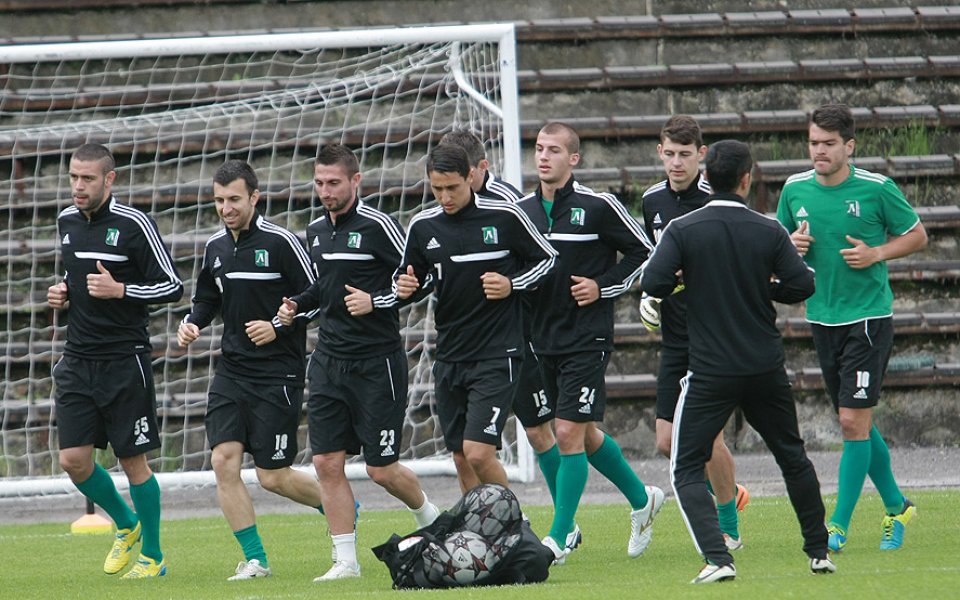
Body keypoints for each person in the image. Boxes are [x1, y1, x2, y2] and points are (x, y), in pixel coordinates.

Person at [641, 139, 834, 583]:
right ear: (747, 180)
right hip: (765, 366)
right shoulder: (768, 230)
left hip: (711, 369)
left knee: (685, 466)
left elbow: (652, 279)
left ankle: (719, 558)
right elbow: (802, 285)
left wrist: (692, 279)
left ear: (706, 176)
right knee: (792, 455)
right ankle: (818, 550)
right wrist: (760, 285)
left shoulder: (684, 229)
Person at [275, 144, 440, 582]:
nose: (326, 191)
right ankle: (345, 560)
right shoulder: (315, 231)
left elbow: (416, 282)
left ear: (355, 181)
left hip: (376, 362)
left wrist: (377, 300)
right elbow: (320, 291)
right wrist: (296, 307)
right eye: (320, 183)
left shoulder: (380, 227)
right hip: (328, 361)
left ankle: (431, 518)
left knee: (380, 468)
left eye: (334, 183)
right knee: (326, 463)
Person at [777, 103, 927, 553]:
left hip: (867, 319)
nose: (818, 151)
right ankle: (898, 506)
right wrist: (790, 244)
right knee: (857, 420)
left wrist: (877, 253)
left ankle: (835, 528)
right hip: (821, 318)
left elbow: (917, 235)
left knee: (850, 421)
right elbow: (776, 245)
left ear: (849, 146)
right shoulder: (794, 188)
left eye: (827, 144)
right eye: (813, 143)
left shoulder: (877, 189)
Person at [517, 122, 663, 565]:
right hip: (538, 338)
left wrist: (603, 287)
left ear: (573, 159)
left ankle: (560, 536)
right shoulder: (521, 211)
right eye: (539, 149)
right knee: (573, 432)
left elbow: (647, 251)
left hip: (587, 335)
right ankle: (643, 499)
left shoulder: (597, 206)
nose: (543, 157)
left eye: (554, 150)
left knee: (566, 432)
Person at [177, 160, 327, 581]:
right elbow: (206, 299)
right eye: (219, 200)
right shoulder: (215, 248)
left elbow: (316, 295)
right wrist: (192, 323)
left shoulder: (281, 242)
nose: (226, 208)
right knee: (224, 460)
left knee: (273, 476)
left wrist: (279, 324)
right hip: (233, 370)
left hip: (278, 372)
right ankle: (256, 559)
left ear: (255, 198)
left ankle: (337, 506)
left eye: (234, 200)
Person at [48, 143, 183, 579]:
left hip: (125, 361)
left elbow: (172, 287)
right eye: (73, 177)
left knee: (132, 462)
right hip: (78, 359)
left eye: (87, 178)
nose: (78, 187)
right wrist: (64, 292)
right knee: (73, 459)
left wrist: (121, 290)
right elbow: (74, 274)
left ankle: (155, 556)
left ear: (110, 179)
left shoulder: (134, 225)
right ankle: (126, 525)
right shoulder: (67, 221)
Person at [393, 144, 557, 496]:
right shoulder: (423, 226)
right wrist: (405, 286)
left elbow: (547, 261)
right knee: (461, 458)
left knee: (479, 453)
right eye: (437, 189)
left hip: (498, 352)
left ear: (470, 176)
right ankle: (479, 534)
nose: (445, 197)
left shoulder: (504, 217)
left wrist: (511, 284)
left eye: (452, 187)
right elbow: (413, 280)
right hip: (451, 354)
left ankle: (514, 527)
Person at [640, 115, 749, 550]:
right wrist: (652, 294)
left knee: (707, 437)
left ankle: (729, 526)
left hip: (711, 334)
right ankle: (727, 496)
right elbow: (656, 259)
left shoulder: (716, 201)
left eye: (685, 154)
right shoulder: (652, 201)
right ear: (660, 152)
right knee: (667, 441)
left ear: (702, 156)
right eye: (670, 154)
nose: (677, 163)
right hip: (674, 335)